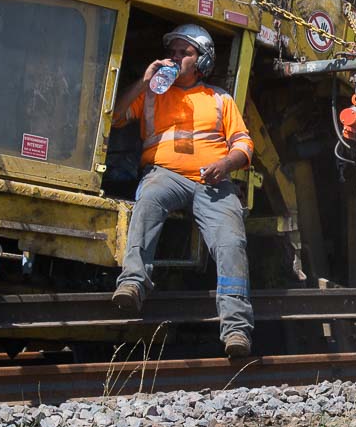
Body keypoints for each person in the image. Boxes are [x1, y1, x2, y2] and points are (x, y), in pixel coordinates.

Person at [109, 24, 255, 357]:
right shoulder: (152, 94)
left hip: (213, 182)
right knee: (148, 200)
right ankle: (133, 283)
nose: (174, 58)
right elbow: (115, 117)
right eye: (171, 52)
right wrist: (144, 81)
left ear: (202, 61)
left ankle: (236, 329)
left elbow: (244, 144)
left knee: (231, 242)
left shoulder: (220, 99)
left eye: (183, 53)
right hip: (165, 175)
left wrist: (225, 165)